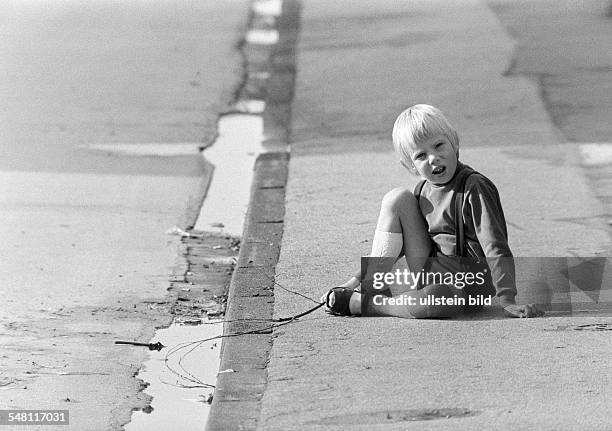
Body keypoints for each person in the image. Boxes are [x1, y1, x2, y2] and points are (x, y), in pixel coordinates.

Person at [323, 104, 543, 318]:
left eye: (439, 145)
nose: (433, 158)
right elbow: (395, 246)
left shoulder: (474, 187)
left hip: (465, 286)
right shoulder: (422, 189)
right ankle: (371, 287)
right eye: (420, 156)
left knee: (435, 299)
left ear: (455, 143)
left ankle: (367, 305)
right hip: (431, 273)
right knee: (397, 198)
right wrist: (353, 281)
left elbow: (494, 245)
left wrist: (507, 300)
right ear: (410, 166)